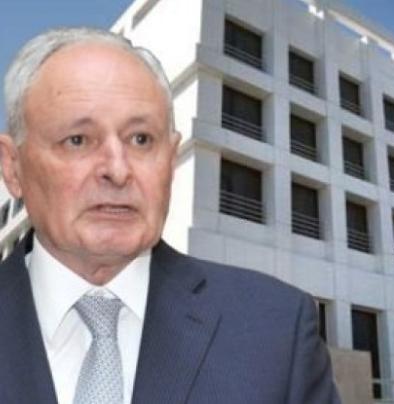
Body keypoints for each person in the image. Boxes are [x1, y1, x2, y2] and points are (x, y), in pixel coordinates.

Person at [0, 27, 340, 404]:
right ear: (13, 167)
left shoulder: (277, 327)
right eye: (77, 140)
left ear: (171, 158)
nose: (117, 169)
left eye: (141, 139)